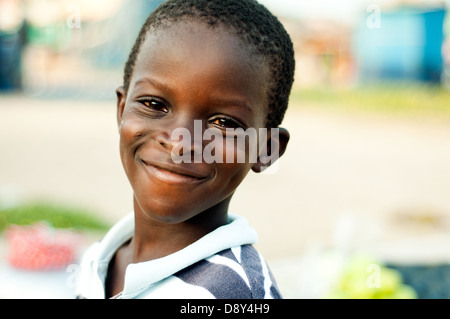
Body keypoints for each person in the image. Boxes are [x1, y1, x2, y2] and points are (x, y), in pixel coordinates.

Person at [75, 0, 295, 299]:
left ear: (266, 149)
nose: (180, 142)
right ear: (122, 109)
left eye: (223, 123)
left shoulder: (235, 294)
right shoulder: (99, 259)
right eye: (154, 104)